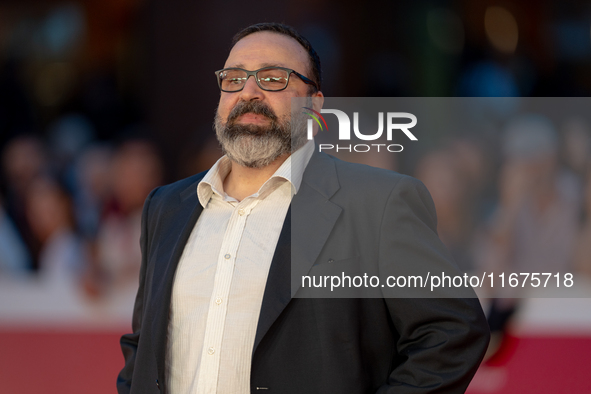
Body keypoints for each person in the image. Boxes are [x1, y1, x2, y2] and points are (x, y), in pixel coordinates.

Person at [117, 22, 489, 394]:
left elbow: (452, 330)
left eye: (274, 78)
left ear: (314, 104)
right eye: (233, 78)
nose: (248, 92)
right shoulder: (166, 207)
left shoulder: (377, 203)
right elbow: (144, 343)